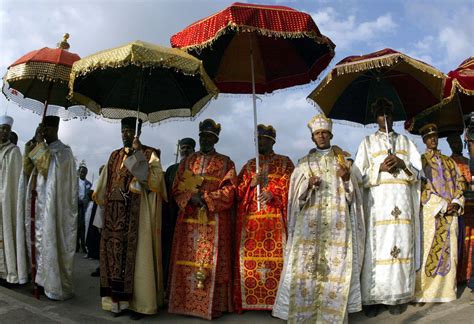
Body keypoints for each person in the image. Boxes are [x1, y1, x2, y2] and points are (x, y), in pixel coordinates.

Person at [273, 114, 365, 323]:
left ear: (330, 134)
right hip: (309, 225)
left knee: (335, 267)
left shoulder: (345, 161)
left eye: (324, 133)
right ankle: (305, 314)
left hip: (338, 224)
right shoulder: (303, 164)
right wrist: (308, 186)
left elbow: (355, 198)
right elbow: (295, 199)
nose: (321, 136)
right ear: (312, 137)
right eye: (317, 134)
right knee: (306, 266)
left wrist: (347, 178)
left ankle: (330, 314)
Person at [353, 98, 422, 316]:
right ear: (376, 118)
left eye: (389, 115)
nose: (386, 119)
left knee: (400, 246)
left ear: (394, 117)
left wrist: (403, 164)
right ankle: (373, 298)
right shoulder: (367, 143)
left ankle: (398, 296)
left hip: (402, 204)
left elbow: (419, 175)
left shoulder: (406, 142)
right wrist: (379, 168)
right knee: (378, 248)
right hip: (378, 206)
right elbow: (357, 177)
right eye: (382, 115)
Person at [93, 117, 167, 318]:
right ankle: (115, 303)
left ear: (137, 133)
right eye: (123, 131)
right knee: (114, 261)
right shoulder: (114, 156)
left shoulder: (150, 154)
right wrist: (101, 208)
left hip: (137, 218)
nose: (125, 134)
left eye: (129, 131)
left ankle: (140, 305)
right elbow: (103, 184)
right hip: (113, 220)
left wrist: (137, 155)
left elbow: (154, 182)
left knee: (139, 260)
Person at [168, 119, 237, 320]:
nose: (205, 139)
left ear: (216, 138)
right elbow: (176, 188)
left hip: (213, 220)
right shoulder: (187, 162)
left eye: (209, 137)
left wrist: (207, 198)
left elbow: (231, 190)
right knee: (187, 260)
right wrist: (191, 197)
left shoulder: (226, 162)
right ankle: (185, 302)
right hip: (189, 219)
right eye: (202, 136)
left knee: (211, 260)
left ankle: (212, 305)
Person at [234, 124, 294, 312]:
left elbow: (292, 186)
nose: (260, 142)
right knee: (250, 260)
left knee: (278, 260)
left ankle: (277, 303)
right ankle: (249, 303)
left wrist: (274, 193)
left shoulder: (285, 163)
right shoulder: (250, 165)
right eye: (257, 139)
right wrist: (252, 183)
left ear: (272, 141)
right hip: (252, 221)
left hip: (275, 220)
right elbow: (238, 192)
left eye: (264, 139)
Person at [20, 116, 78, 300]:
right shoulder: (44, 148)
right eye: (43, 129)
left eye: (47, 129)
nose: (45, 133)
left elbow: (46, 168)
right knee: (37, 243)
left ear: (55, 129)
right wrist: (31, 148)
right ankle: (37, 280)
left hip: (53, 209)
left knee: (49, 242)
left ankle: (53, 285)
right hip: (39, 205)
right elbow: (29, 171)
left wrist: (40, 145)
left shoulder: (64, 152)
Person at [414, 123, 464, 303]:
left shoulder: (450, 161)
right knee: (429, 250)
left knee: (451, 251)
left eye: (435, 136)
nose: (432, 139)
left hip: (451, 213)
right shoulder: (420, 162)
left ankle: (447, 292)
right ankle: (425, 292)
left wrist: (456, 202)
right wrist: (442, 204)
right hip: (432, 212)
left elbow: (460, 183)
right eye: (429, 137)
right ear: (424, 140)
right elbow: (420, 188)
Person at [163, 137, 195, 291]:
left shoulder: (195, 169)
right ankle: (167, 286)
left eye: (188, 147)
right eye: (182, 147)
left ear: (193, 150)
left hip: (188, 217)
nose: (185, 150)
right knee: (168, 252)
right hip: (170, 216)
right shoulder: (171, 169)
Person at [0, 115, 25, 284]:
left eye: (6, 129)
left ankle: (6, 272)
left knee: (6, 234)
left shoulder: (14, 152)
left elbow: (15, 182)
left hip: (5, 202)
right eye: (1, 128)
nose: (3, 131)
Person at [447, 134, 474, 284]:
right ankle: (460, 275)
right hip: (461, 206)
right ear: (449, 144)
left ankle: (470, 274)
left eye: (458, 142)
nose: (456, 144)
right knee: (461, 240)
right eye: (453, 142)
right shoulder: (449, 162)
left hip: (472, 204)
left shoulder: (469, 160)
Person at [77, 163, 92, 254]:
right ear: (79, 172)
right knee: (76, 226)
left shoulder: (89, 184)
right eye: (81, 172)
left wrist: (84, 202)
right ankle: (75, 246)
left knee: (83, 226)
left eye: (84, 172)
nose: (82, 174)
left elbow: (89, 195)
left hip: (84, 207)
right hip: (76, 206)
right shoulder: (74, 182)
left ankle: (83, 245)